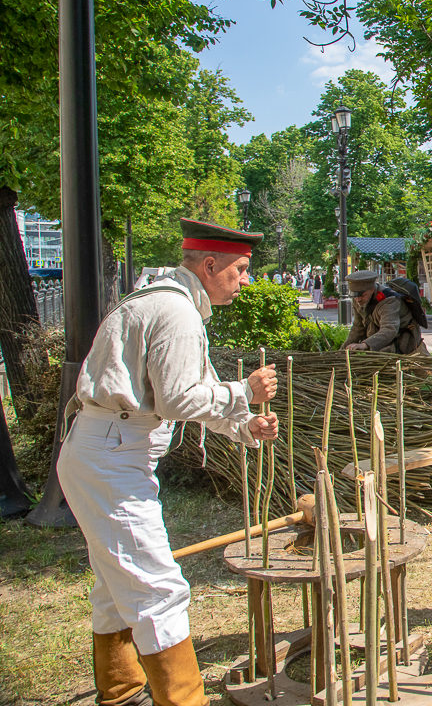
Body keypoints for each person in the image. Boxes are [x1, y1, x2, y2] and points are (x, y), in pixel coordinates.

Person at [57, 218, 279, 706]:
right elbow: (180, 400)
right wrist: (245, 391)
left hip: (106, 450)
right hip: (112, 457)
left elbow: (191, 392)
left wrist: (244, 425)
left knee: (118, 585)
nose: (246, 280)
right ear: (209, 264)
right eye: (241, 269)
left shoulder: (169, 304)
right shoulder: (175, 312)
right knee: (158, 590)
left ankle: (121, 691)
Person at [341, 270, 427, 354]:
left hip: (402, 340)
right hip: (380, 337)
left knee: (379, 359)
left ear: (372, 289)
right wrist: (342, 350)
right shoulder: (358, 299)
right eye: (355, 296)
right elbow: (358, 327)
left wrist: (365, 345)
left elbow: (389, 329)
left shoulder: (389, 300)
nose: (358, 299)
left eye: (363, 295)